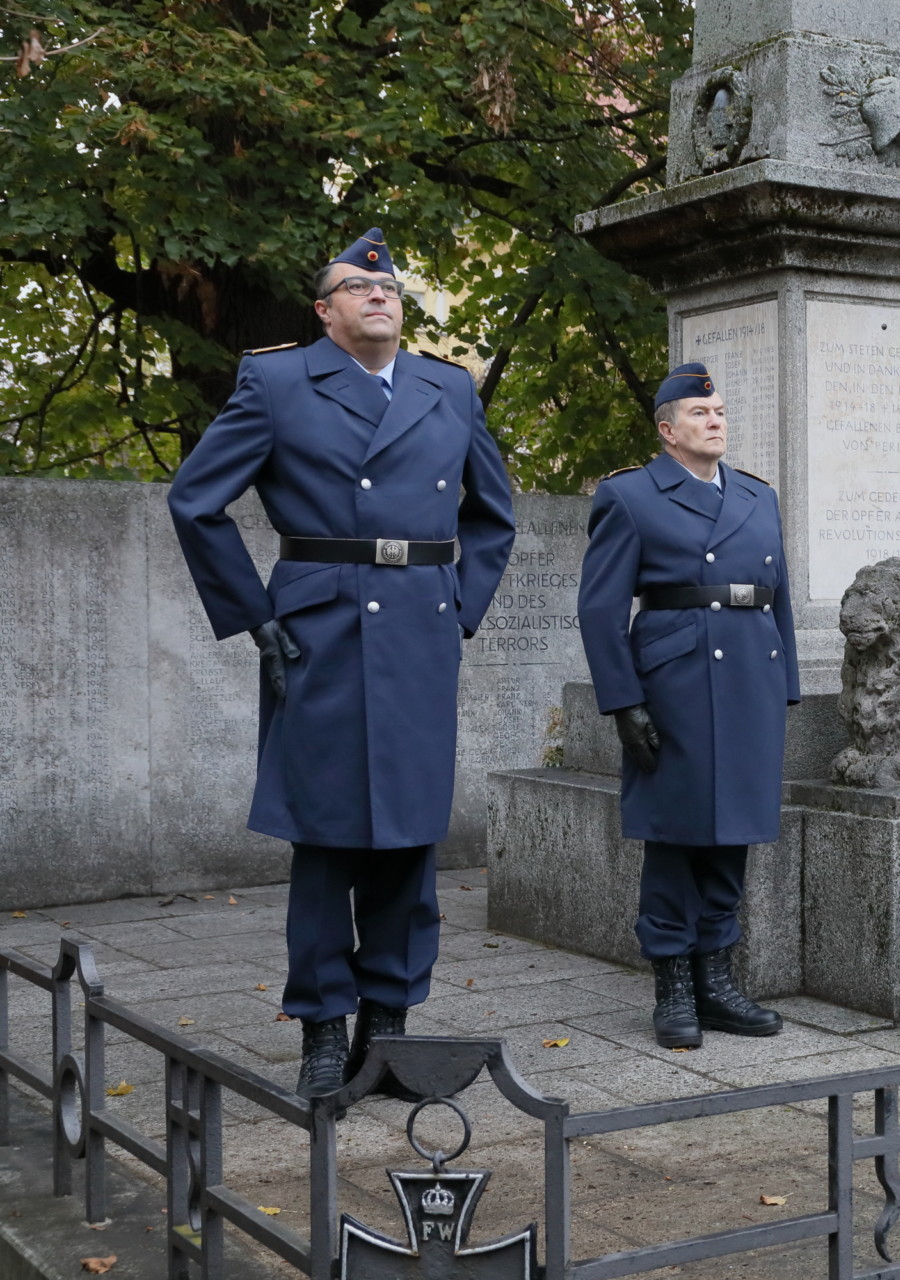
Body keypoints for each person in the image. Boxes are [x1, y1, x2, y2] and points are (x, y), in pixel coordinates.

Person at [168, 230, 516, 1098]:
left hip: (420, 630)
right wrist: (255, 617)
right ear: (324, 311)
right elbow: (196, 499)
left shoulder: (447, 388)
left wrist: (458, 611)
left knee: (408, 836)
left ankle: (388, 1031)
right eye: (357, 285)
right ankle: (324, 1029)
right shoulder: (279, 382)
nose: (379, 293)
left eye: (390, 284)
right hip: (320, 630)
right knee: (324, 839)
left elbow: (494, 515)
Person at [577, 363, 801, 1049]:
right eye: (700, 413)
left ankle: (717, 978)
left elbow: (779, 598)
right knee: (676, 837)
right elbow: (599, 609)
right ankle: (673, 983)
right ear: (667, 429)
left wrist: (785, 685)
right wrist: (623, 703)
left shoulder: (759, 497)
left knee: (732, 834)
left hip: (749, 681)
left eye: (722, 412)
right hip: (676, 682)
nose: (716, 421)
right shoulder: (632, 497)